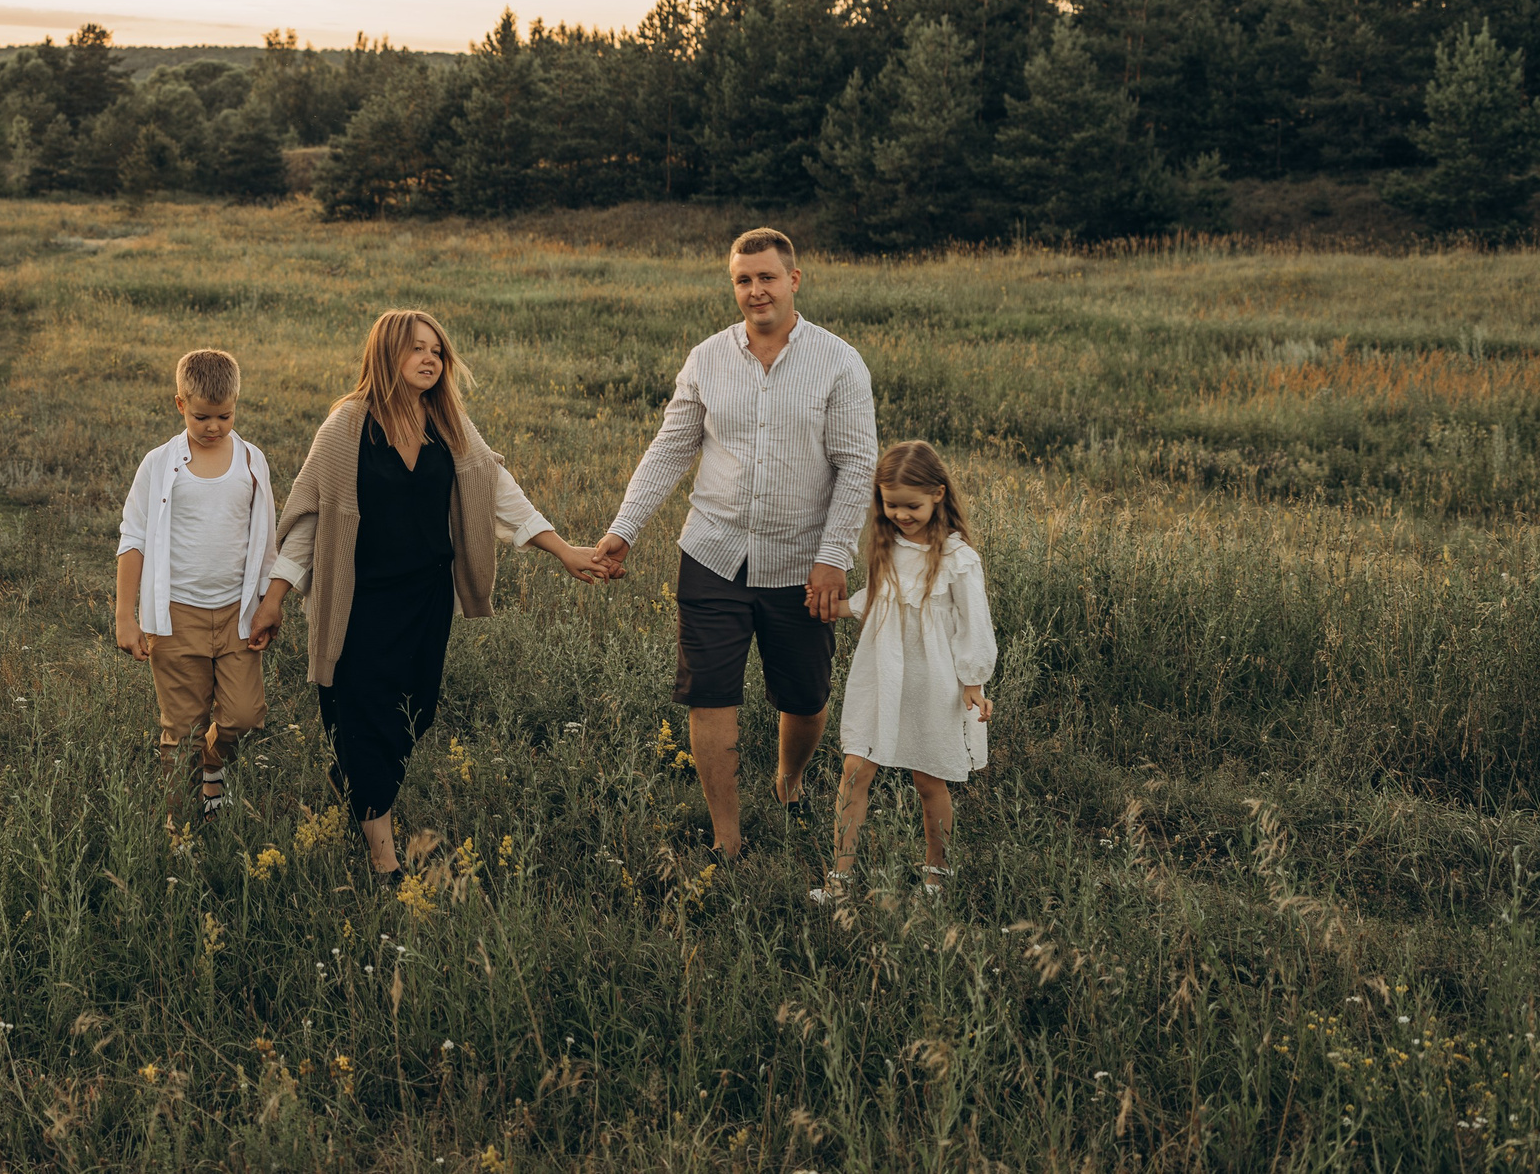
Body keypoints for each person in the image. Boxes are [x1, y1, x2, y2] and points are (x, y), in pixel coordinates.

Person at [257, 309, 607, 882]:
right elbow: (309, 519)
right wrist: (275, 597)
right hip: (358, 603)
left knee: (411, 714)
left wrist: (564, 550)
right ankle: (384, 857)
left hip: (425, 599)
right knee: (364, 713)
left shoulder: (448, 422)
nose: (429, 360)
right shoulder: (347, 426)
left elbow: (500, 492)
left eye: (437, 351)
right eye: (416, 349)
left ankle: (356, 782)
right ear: (385, 355)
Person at [594, 226, 877, 860]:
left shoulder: (838, 361)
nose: (755, 291)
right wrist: (623, 529)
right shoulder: (707, 359)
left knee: (805, 697)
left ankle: (790, 780)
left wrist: (834, 557)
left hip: (803, 563)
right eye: (743, 280)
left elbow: (859, 463)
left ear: (794, 280)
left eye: (767, 277)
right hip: (713, 554)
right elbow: (669, 451)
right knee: (709, 692)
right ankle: (727, 839)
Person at [815, 440, 996, 902]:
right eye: (891, 504)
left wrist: (974, 681)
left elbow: (975, 623)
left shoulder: (958, 558)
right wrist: (841, 608)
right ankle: (839, 881)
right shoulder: (885, 544)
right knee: (855, 766)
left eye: (911, 505)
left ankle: (938, 876)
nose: (901, 514)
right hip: (882, 670)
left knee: (928, 777)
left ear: (938, 494)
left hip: (934, 676)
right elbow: (879, 598)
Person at [114, 348, 279, 817]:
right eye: (202, 416)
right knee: (182, 726)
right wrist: (125, 617)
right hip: (175, 614)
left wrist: (268, 602)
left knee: (243, 716)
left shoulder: (251, 462)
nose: (214, 427)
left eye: (225, 416)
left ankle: (214, 764)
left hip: (237, 612)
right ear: (180, 404)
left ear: (237, 404)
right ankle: (179, 827)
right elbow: (134, 538)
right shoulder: (160, 464)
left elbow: (265, 534)